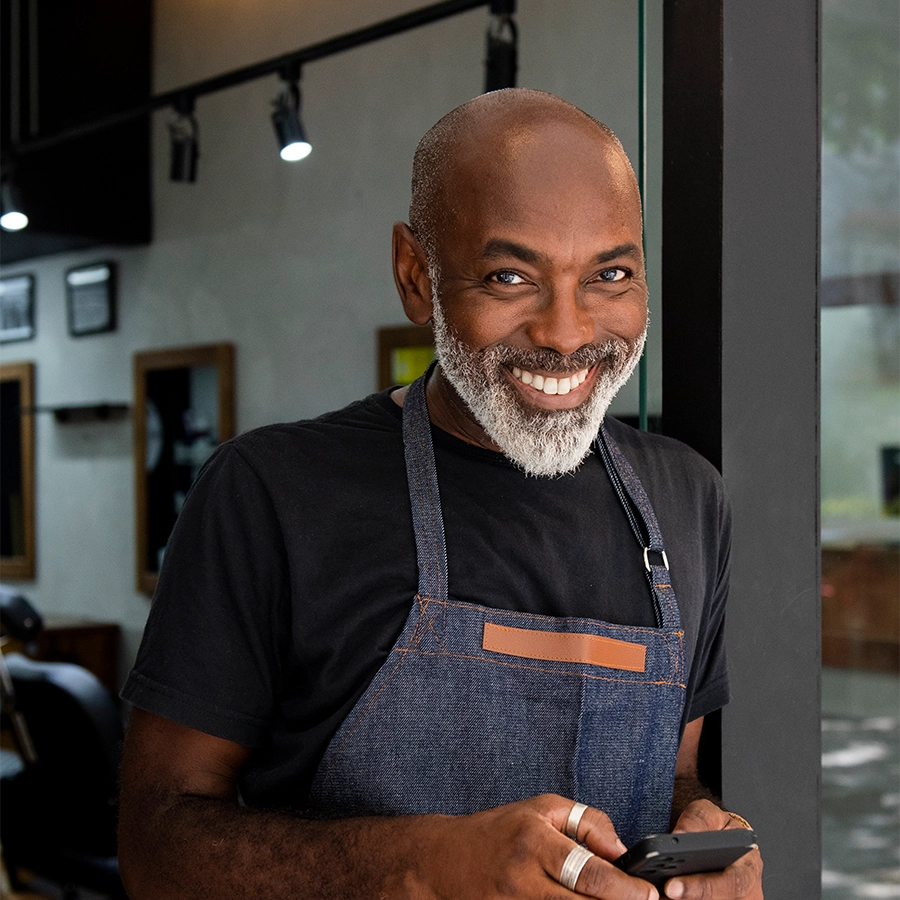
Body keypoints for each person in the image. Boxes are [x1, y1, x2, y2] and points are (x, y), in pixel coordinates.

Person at [118, 89, 763, 900]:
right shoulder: (270, 494)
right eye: (509, 276)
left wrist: (707, 837)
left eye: (610, 274)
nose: (566, 332)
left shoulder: (685, 499)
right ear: (416, 276)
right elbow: (155, 849)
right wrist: (424, 865)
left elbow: (671, 776)